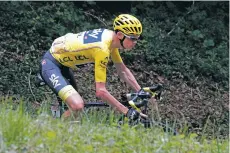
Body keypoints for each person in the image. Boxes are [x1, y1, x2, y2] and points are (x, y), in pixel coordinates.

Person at [39, 14, 146, 121]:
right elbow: (100, 91)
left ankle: (61, 129)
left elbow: (122, 70)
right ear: (119, 34)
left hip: (64, 65)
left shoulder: (110, 39)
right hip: (51, 64)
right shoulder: (102, 49)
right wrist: (126, 111)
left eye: (137, 38)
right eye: (132, 38)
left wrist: (142, 92)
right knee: (77, 106)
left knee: (73, 112)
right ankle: (52, 129)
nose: (135, 43)